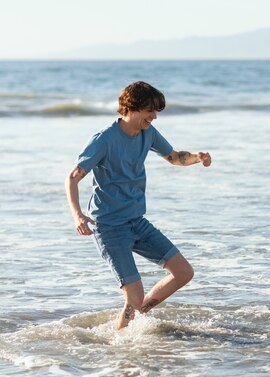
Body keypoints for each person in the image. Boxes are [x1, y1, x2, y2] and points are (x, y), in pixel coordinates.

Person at [65, 81, 212, 329]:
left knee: (183, 272)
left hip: (137, 222)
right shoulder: (104, 139)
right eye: (149, 111)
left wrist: (198, 157)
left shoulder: (148, 133)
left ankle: (137, 317)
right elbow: (73, 177)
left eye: (155, 112)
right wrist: (78, 215)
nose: (154, 117)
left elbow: (174, 157)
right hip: (110, 227)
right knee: (132, 295)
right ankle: (121, 342)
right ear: (132, 107)